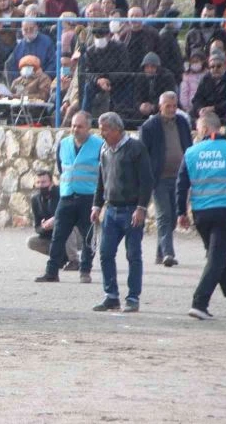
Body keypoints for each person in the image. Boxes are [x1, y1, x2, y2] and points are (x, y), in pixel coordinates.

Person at [176, 111, 226, 320]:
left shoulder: (191, 152)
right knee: (216, 260)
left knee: (218, 260)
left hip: (201, 214)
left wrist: (181, 213)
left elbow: (181, 185)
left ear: (202, 129)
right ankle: (199, 302)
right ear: (218, 128)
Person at [90, 112, 153, 313]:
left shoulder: (136, 148)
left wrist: (141, 208)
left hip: (131, 209)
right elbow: (102, 179)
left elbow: (147, 180)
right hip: (111, 210)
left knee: (133, 254)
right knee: (105, 253)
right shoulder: (104, 149)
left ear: (117, 129)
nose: (102, 133)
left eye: (105, 129)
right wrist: (96, 205)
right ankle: (111, 296)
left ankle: (133, 297)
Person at [35, 112, 103, 284]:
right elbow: (61, 166)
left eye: (79, 126)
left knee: (88, 237)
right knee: (58, 236)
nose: (75, 129)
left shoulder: (99, 145)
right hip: (66, 197)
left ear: (88, 127)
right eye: (73, 125)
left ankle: (85, 271)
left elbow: (104, 172)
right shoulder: (64, 144)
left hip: (88, 197)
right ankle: (51, 272)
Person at [138, 91, 192, 268]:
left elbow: (188, 147)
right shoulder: (149, 126)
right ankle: (169, 253)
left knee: (175, 213)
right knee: (164, 215)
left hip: (179, 179)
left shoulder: (183, 123)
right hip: (159, 178)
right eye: (168, 106)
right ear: (160, 106)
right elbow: (143, 154)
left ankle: (160, 253)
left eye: (174, 106)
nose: (171, 109)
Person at [27, 170, 82, 270]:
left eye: (44, 182)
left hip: (76, 235)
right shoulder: (35, 199)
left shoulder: (62, 193)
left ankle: (74, 261)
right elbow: (37, 227)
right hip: (53, 236)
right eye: (38, 182)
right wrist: (44, 227)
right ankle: (60, 258)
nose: (41, 185)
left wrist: (55, 220)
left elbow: (71, 214)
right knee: (31, 242)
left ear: (51, 183)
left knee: (66, 224)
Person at [133, 51, 176, 121]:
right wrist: (141, 106)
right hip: (144, 109)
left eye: (153, 67)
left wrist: (154, 106)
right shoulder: (140, 77)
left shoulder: (167, 76)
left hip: (161, 108)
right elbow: (136, 96)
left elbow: (169, 97)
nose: (149, 69)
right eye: (147, 67)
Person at [191, 50, 226, 122]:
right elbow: (197, 98)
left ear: (225, 65)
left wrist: (214, 108)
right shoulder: (205, 79)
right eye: (212, 66)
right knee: (190, 113)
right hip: (206, 112)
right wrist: (200, 109)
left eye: (218, 66)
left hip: (222, 113)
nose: (215, 69)